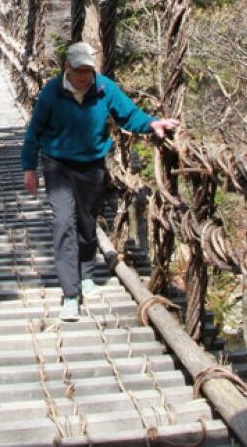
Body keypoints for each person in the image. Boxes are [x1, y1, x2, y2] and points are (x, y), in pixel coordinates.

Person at [21, 42, 179, 322]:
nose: (85, 77)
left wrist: (152, 123)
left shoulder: (104, 88)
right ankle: (70, 294)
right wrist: (29, 168)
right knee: (63, 223)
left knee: (86, 221)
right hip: (57, 163)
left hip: (92, 164)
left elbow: (128, 115)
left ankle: (86, 273)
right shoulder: (52, 92)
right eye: (79, 71)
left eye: (89, 71)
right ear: (67, 69)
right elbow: (34, 131)